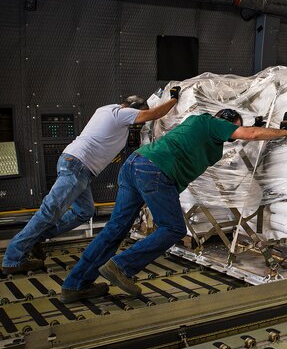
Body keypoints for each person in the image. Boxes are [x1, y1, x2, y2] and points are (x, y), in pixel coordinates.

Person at [60, 108, 287, 303]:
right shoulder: (211, 122)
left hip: (135, 165)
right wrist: (283, 131)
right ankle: (121, 267)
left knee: (115, 229)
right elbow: (250, 134)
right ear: (229, 122)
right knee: (172, 228)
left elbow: (242, 136)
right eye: (234, 128)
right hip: (155, 171)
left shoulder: (198, 125)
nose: (231, 135)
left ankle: (75, 285)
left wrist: (256, 126)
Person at [1, 87, 181, 275]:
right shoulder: (120, 114)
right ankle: (13, 259)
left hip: (78, 166)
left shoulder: (107, 110)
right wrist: (174, 98)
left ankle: (36, 237)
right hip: (78, 166)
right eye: (138, 113)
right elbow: (155, 114)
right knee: (49, 211)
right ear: (133, 108)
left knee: (84, 211)